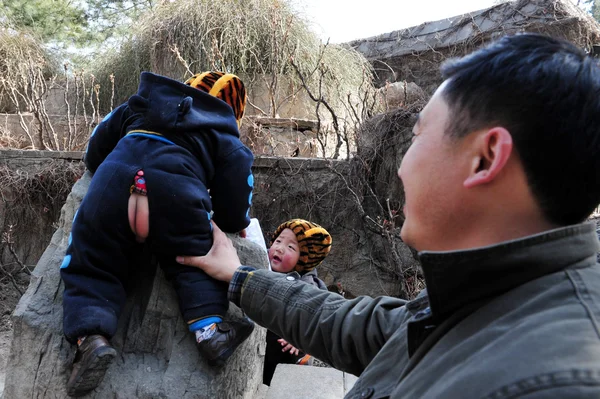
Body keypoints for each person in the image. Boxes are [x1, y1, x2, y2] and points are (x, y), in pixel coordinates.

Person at [177, 32, 600, 398]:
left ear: (485, 158)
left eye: (416, 138)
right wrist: (241, 276)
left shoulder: (554, 381)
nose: (401, 167)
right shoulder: (492, 298)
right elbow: (353, 325)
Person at [60, 71, 255, 397]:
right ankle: (210, 331)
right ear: (233, 112)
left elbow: (97, 144)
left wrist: (99, 167)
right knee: (195, 257)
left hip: (116, 180)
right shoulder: (223, 133)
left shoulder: (140, 105)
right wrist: (233, 222)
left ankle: (90, 338)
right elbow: (236, 192)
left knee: (92, 258)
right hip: (176, 192)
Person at [262, 219, 332, 385]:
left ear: (304, 259)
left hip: (289, 352)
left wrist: (301, 340)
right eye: (278, 241)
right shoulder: (263, 263)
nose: (279, 247)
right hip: (262, 347)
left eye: (290, 247)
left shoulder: (308, 286)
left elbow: (320, 320)